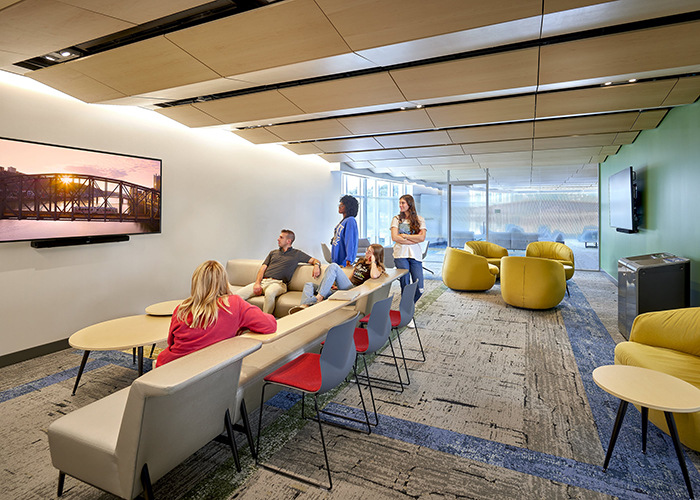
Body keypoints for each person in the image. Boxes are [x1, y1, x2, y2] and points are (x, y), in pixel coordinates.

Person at [156, 260, 276, 367]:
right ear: (224, 282)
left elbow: (170, 343)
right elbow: (270, 325)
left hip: (170, 367)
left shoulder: (181, 309)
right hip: (210, 370)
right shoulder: (234, 304)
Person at [235, 229, 321, 314]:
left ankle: (265, 321)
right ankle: (238, 320)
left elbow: (315, 260)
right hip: (263, 282)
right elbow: (262, 269)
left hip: (279, 284)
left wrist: (317, 265)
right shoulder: (273, 253)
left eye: (281, 237)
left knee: (269, 293)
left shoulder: (297, 254)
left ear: (288, 241)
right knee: (236, 296)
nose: (278, 239)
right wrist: (257, 283)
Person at [291, 243, 386, 313]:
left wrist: (373, 261)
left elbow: (374, 276)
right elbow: (350, 278)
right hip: (344, 289)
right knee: (309, 284)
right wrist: (337, 285)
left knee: (334, 266)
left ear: (375, 255)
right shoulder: (361, 261)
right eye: (367, 250)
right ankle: (304, 306)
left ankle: (319, 298)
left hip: (353, 292)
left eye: (369, 252)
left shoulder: (377, 267)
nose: (366, 253)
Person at [391, 194, 426, 302]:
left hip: (415, 255)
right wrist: (413, 240)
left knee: (420, 288)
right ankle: (406, 313)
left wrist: (406, 236)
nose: (400, 205)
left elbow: (422, 238)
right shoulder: (396, 219)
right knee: (405, 285)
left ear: (409, 204)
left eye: (403, 203)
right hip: (400, 254)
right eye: (400, 203)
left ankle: (408, 306)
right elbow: (394, 237)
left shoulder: (420, 219)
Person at [330, 195, 359, 267]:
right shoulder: (344, 221)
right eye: (339, 205)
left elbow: (350, 241)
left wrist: (349, 259)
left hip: (344, 262)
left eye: (342, 205)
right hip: (337, 261)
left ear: (348, 207)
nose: (339, 207)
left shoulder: (351, 220)